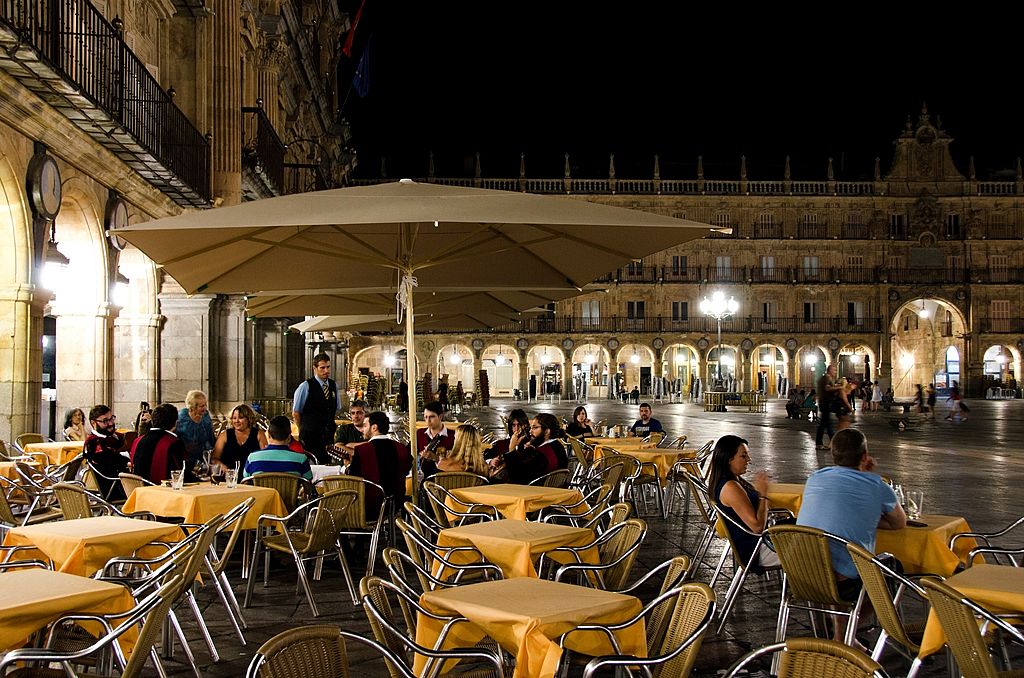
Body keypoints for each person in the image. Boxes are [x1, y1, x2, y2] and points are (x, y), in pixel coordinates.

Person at [796, 428, 906, 626]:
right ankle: (850, 629)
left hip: (802, 572)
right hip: (844, 583)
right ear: (864, 456)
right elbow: (898, 523)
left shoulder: (814, 479)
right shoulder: (877, 486)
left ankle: (841, 631)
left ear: (833, 454)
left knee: (837, 557)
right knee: (891, 568)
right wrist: (868, 514)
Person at [706, 435, 780, 569]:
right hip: (757, 549)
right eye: (743, 456)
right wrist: (763, 495)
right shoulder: (730, 487)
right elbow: (757, 527)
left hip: (761, 542)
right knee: (813, 549)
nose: (748, 460)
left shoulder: (731, 481)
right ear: (729, 459)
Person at [347, 411, 412, 516]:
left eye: (365, 425)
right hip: (396, 505)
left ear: (374, 427)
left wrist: (347, 466)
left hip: (369, 508)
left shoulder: (362, 450)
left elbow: (353, 478)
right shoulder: (401, 448)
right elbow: (407, 469)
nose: (362, 430)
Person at [291, 353, 340, 464]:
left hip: (328, 436)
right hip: (310, 436)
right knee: (311, 464)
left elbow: (335, 408)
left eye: (328, 367)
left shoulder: (333, 386)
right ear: (315, 368)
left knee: (327, 464)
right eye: (322, 368)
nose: (326, 371)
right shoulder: (305, 386)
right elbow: (296, 412)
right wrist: (303, 428)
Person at [131, 403, 196, 485]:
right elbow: (183, 473)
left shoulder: (137, 441)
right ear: (175, 423)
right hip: (161, 491)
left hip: (139, 491)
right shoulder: (173, 443)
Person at [500, 412, 568, 484]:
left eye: (535, 428)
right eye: (531, 427)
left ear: (546, 431)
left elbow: (517, 478)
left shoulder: (541, 455)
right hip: (555, 489)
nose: (530, 431)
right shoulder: (558, 446)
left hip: (533, 489)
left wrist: (512, 449)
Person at [243, 415, 313, 480]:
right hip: (289, 490)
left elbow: (246, 480)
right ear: (289, 437)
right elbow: (308, 482)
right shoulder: (301, 459)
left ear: (268, 435)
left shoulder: (252, 458)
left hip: (260, 490)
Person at [84, 405, 129, 500]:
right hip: (115, 487)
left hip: (124, 481)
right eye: (105, 421)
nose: (110, 423)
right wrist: (127, 456)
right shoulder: (94, 442)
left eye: (112, 418)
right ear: (93, 423)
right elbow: (110, 463)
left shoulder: (114, 437)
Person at [213, 403, 267, 470]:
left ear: (248, 419)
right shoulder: (224, 435)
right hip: (229, 474)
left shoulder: (259, 434)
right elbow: (214, 459)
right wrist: (223, 467)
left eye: (241, 418)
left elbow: (265, 458)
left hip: (252, 474)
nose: (237, 421)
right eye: (234, 418)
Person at [416, 401, 455, 477]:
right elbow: (409, 452)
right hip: (423, 478)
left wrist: (436, 458)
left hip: (446, 478)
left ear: (440, 417)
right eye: (426, 417)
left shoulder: (453, 436)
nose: (428, 421)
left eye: (431, 417)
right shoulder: (420, 434)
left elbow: (457, 462)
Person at [176, 390, 215, 466]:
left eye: (205, 405)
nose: (205, 408)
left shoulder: (206, 415)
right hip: (186, 456)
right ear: (192, 407)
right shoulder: (182, 417)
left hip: (204, 454)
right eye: (202, 406)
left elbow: (210, 435)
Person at [815, 364, 840, 449]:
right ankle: (832, 442)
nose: (835, 372)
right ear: (830, 370)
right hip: (826, 402)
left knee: (825, 424)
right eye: (834, 370)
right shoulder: (827, 378)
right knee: (827, 424)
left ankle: (821, 443)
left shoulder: (824, 378)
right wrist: (839, 387)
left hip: (824, 402)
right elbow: (827, 388)